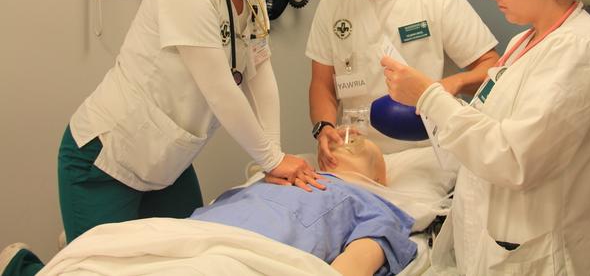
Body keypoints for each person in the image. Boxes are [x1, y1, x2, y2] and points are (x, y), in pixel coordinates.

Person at [1, 0, 327, 276]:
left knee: (186, 265)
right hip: (106, 157)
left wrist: (276, 154)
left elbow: (261, 76)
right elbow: (220, 90)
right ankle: (21, 267)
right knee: (100, 271)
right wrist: (271, 160)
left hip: (167, 163)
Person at [381, 0, 590, 275]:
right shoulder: (523, 42)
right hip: (495, 247)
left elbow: (514, 159)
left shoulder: (579, 53)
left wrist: (428, 96)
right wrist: (440, 98)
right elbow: (486, 131)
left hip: (543, 258)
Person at [1, 138, 416, 276]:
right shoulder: (277, 173)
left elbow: (351, 267)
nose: (345, 135)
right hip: (197, 236)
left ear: (379, 177)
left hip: (251, 256)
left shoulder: (371, 202)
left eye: (359, 142)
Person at [306, 0, 499, 169]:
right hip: (355, 154)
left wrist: (450, 85)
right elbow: (322, 84)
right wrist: (323, 126)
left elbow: (491, 67)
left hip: (422, 155)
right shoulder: (333, 5)